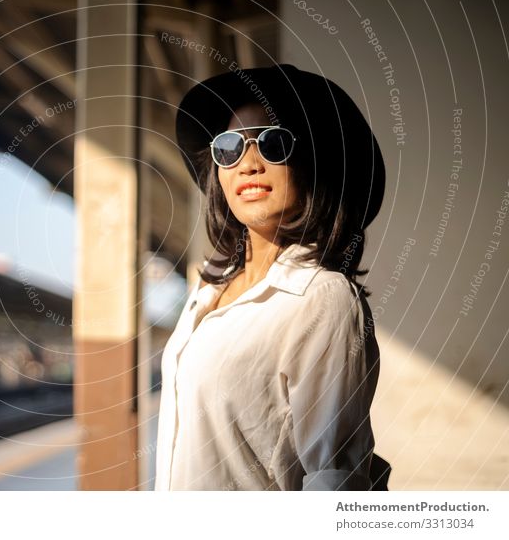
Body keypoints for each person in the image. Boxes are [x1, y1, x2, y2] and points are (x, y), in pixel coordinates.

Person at [154, 63, 391, 491]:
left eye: (273, 143)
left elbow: (334, 481)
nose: (248, 163)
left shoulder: (323, 299)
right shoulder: (208, 291)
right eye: (228, 147)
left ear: (314, 163)